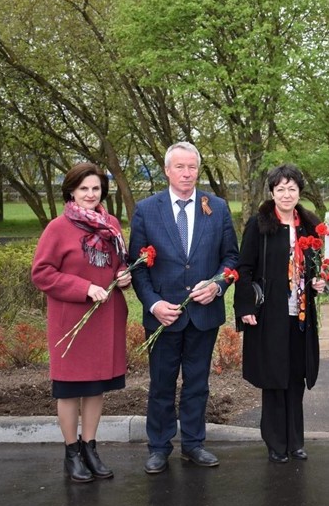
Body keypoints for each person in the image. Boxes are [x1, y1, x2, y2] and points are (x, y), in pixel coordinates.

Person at [129, 142, 239, 474]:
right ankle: (159, 447)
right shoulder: (147, 210)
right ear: (166, 170)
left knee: (197, 383)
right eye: (180, 167)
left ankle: (193, 444)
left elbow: (231, 258)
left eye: (192, 167)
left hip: (203, 315)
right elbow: (138, 266)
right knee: (161, 383)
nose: (187, 173)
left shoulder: (216, 207)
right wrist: (153, 304)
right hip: (163, 316)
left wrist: (218, 285)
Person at [31, 162, 131, 483]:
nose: (90, 194)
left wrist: (123, 276)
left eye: (96, 189)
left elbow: (118, 264)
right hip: (71, 322)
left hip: (105, 318)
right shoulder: (58, 227)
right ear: (72, 191)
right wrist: (84, 288)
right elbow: (42, 273)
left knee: (95, 387)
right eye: (84, 188)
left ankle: (90, 448)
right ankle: (71, 452)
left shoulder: (111, 224)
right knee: (70, 390)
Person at [235, 165, 326, 463]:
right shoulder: (259, 225)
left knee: (295, 378)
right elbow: (244, 268)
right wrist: (245, 307)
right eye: (280, 189)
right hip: (269, 314)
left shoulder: (309, 226)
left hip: (299, 315)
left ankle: (295, 441)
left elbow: (314, 266)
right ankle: (276, 442)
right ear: (272, 192)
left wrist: (319, 281)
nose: (286, 194)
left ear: (300, 192)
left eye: (292, 189)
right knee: (274, 378)